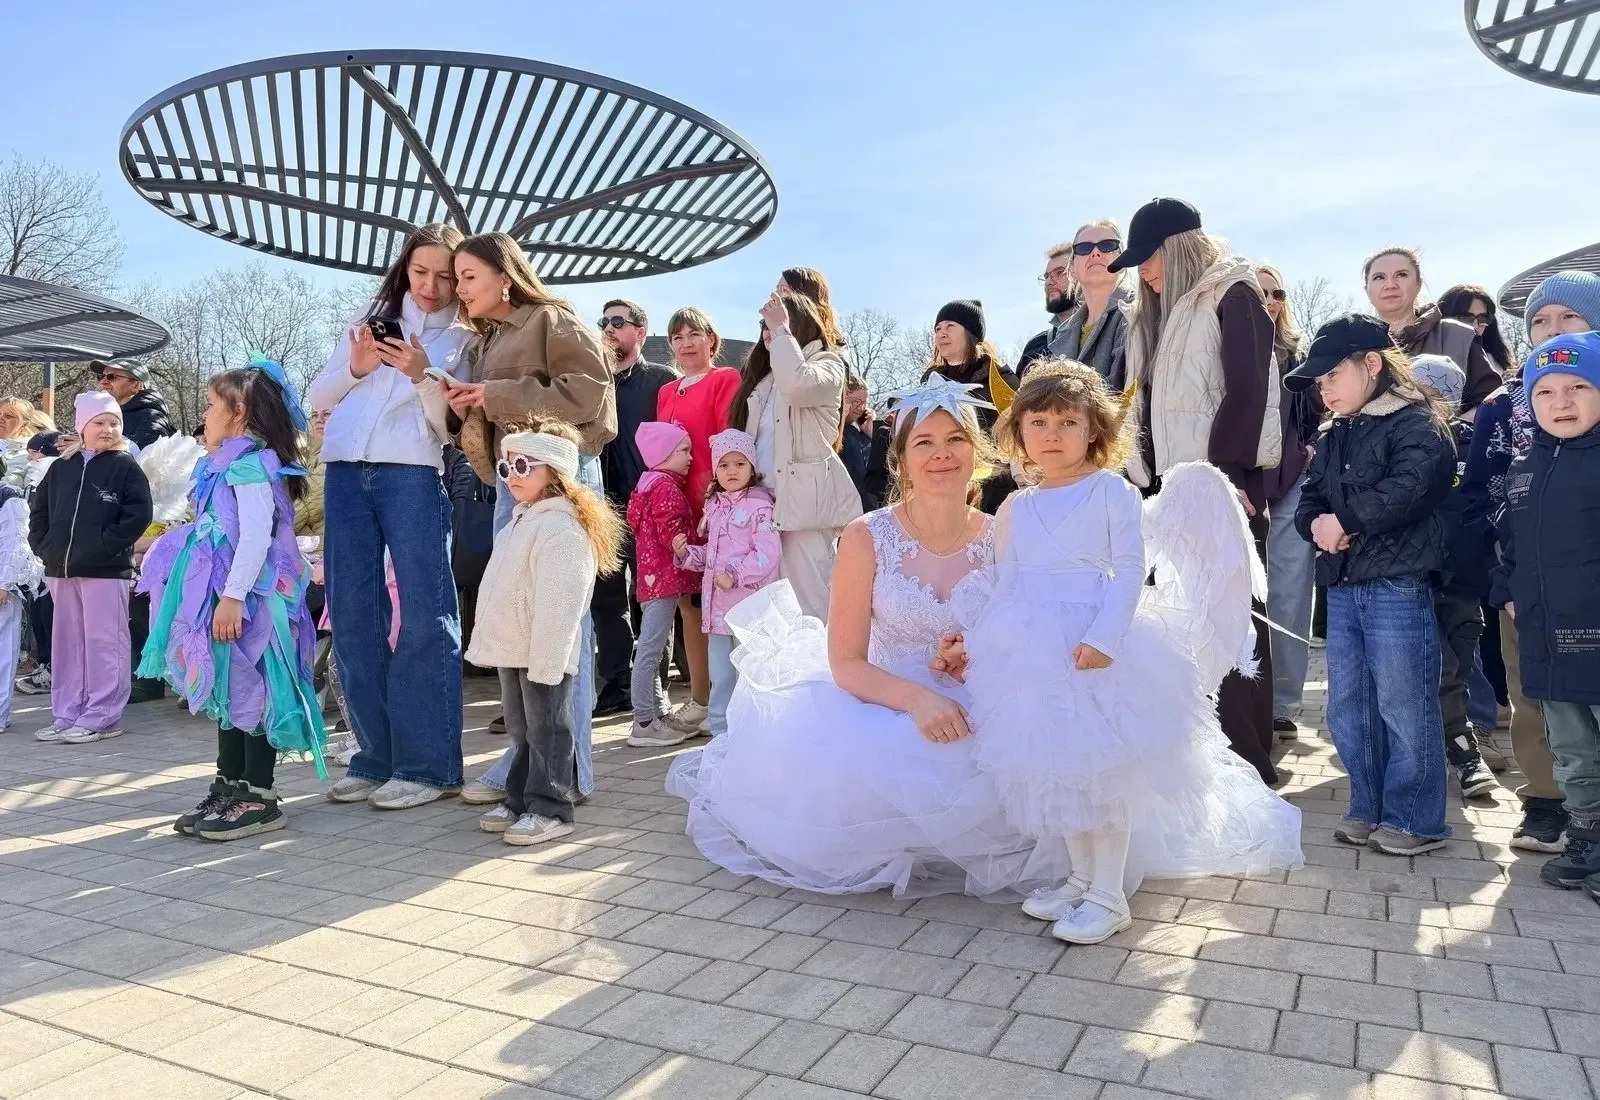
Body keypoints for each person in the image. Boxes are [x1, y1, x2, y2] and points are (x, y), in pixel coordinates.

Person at [667, 377, 1065, 897]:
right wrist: (919, 699)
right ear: (901, 459)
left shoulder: (1003, 535)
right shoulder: (866, 536)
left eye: (955, 439)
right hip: (879, 702)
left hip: (979, 701)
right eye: (924, 442)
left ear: (977, 451)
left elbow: (1022, 633)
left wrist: (979, 655)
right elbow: (846, 662)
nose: (942, 454)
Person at [949, 363, 1301, 943]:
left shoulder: (1111, 491)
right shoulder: (1014, 507)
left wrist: (1105, 637)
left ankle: (1109, 894)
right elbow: (1006, 580)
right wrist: (986, 640)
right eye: (1038, 422)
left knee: (1099, 773)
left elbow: (1131, 569)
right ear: (1018, 431)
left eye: (1068, 421)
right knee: (1058, 767)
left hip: (1093, 645)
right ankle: (1080, 878)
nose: (1052, 434)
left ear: (1095, 429)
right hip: (1030, 653)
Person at [1113, 197, 1281, 784]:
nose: (1143, 271)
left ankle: (1248, 766)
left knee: (1231, 628)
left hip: (1220, 489)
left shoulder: (1233, 294)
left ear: (1179, 247)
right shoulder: (1151, 316)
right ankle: (1198, 761)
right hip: (1166, 493)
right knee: (1180, 624)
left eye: (1149, 256)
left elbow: (1248, 391)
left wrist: (1226, 478)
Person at [310, 223, 474, 811]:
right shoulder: (369, 317)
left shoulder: (466, 336)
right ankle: (374, 758)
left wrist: (422, 375)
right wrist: (355, 367)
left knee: (426, 614)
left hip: (413, 474)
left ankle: (429, 766)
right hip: (345, 473)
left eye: (445, 276)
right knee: (353, 615)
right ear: (405, 269)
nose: (431, 286)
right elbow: (318, 398)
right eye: (420, 271)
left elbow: (448, 428)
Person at [1288, 315, 1456, 856]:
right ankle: (1368, 805)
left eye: (1333, 375)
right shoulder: (1336, 432)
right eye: (1319, 382)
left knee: (1404, 702)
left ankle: (1416, 818)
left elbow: (1412, 485)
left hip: (1397, 584)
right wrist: (1315, 523)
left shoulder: (1417, 422)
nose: (1324, 389)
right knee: (1349, 705)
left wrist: (1345, 520)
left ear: (1373, 364)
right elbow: (1311, 496)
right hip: (1343, 584)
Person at [139, 359, 326, 840]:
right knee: (229, 686)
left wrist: (233, 597)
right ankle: (229, 783)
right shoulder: (221, 463)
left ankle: (259, 795)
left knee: (256, 686)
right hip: (228, 594)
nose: (204, 415)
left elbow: (255, 538)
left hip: (254, 600)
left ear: (238, 411)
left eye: (209, 404)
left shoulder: (250, 466)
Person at [1472, 270, 1600, 851]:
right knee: (1533, 691)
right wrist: (1506, 573)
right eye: (1540, 321)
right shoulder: (1504, 403)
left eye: (1569, 316)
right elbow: (1480, 488)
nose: (1553, 328)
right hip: (1528, 573)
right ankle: (1548, 801)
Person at [467, 422, 622, 845]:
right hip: (514, 648)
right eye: (506, 467)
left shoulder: (562, 528)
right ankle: (520, 799)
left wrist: (549, 661)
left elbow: (560, 603)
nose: (511, 476)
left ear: (555, 470)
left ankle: (551, 806)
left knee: (549, 730)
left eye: (523, 465)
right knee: (522, 731)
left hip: (543, 653)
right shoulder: (520, 521)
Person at [28, 392, 153, 745]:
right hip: (61, 569)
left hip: (105, 570)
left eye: (114, 423)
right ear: (82, 426)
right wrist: (44, 547)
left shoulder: (126, 467)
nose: (108, 429)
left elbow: (138, 515)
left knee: (105, 642)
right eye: (99, 422)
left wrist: (104, 547)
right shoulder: (61, 467)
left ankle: (103, 715)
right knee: (68, 644)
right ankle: (68, 713)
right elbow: (40, 512)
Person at [729, 290, 862, 620]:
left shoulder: (828, 364)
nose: (768, 331)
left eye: (776, 322)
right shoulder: (766, 378)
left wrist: (781, 331)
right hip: (761, 505)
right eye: (765, 325)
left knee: (808, 611)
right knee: (768, 615)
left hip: (806, 509)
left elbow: (799, 386)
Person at [1410, 353, 1499, 800]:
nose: (1424, 402)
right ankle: (1463, 757)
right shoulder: (1402, 445)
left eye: (1432, 393)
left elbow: (1491, 510)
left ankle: (1457, 746)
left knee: (1458, 670)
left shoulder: (1478, 446)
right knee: (1438, 671)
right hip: (1413, 583)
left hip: (1464, 584)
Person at [654, 306, 740, 734]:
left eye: (694, 335)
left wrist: (718, 497)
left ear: (711, 340)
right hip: (676, 507)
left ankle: (727, 702)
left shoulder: (725, 379)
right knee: (689, 605)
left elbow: (728, 440)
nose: (685, 343)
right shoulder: (666, 391)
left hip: (714, 505)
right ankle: (701, 699)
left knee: (722, 603)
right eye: (677, 337)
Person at [593, 299, 676, 718]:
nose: (608, 328)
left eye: (617, 321)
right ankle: (616, 684)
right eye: (603, 321)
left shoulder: (662, 381)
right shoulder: (592, 378)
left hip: (650, 505)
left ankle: (653, 687)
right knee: (606, 598)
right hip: (602, 506)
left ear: (640, 332)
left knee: (651, 595)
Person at [674, 428, 781, 740]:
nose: (731, 471)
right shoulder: (715, 506)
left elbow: (768, 553)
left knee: (750, 673)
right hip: (717, 613)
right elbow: (712, 554)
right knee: (721, 676)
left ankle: (751, 734)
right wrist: (687, 554)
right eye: (723, 465)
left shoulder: (760, 505)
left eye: (739, 464)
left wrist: (735, 574)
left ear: (752, 467)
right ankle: (721, 736)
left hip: (748, 612)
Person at [1257, 264, 1318, 740]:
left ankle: (1282, 703)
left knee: (1289, 595)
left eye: (1277, 292)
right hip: (1239, 484)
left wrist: (1311, 450)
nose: (1270, 301)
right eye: (1260, 292)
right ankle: (1243, 697)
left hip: (1292, 484)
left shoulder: (1300, 356)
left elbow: (1322, 412)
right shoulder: (1218, 349)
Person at [623, 422, 700, 748]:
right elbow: (672, 530)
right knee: (650, 651)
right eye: (684, 450)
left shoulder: (647, 485)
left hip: (651, 580)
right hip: (664, 579)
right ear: (664, 454)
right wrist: (696, 541)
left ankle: (658, 713)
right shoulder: (666, 488)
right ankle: (643, 722)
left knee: (654, 651)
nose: (691, 457)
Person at [1361, 248, 1500, 413]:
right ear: (1367, 289)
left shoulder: (1458, 336)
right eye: (1379, 277)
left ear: (1418, 284)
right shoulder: (1350, 347)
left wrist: (1455, 425)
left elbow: (1494, 400)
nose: (1390, 285)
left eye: (1401, 275)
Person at [922, 299, 1020, 514]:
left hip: (993, 486)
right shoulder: (930, 380)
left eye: (950, 326)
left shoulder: (999, 378)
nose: (941, 334)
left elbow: (1019, 430)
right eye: (937, 329)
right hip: (944, 475)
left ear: (971, 333)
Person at [1017, 224, 1132, 388]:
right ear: (1074, 268)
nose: (1095, 252)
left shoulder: (1136, 314)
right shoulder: (1046, 342)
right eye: (1084, 248)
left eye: (1108, 245)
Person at [0, 453, 42, 733]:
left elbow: (17, 541)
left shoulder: (9, 497)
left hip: (3, 584)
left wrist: (4, 582)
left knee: (4, 649)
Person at [91, 359, 177, 449]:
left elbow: (149, 457)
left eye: (111, 376)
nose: (103, 382)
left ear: (136, 386)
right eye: (101, 377)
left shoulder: (150, 418)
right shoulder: (105, 414)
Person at [841, 374, 877, 511]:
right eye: (855, 401)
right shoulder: (831, 430)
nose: (860, 408)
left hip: (868, 507)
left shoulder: (860, 431)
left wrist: (870, 434)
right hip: (846, 508)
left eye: (864, 403)